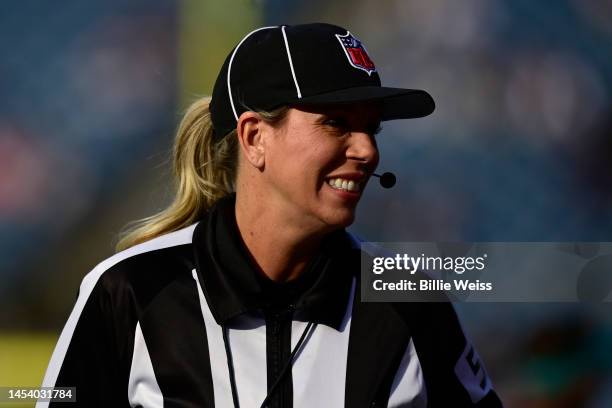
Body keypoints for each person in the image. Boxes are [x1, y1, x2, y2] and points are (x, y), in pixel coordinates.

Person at [38, 23, 503, 407]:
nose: (367, 150)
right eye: (335, 122)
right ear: (255, 137)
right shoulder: (132, 291)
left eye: (371, 128)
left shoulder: (409, 301)